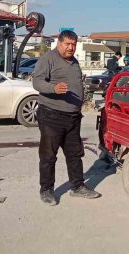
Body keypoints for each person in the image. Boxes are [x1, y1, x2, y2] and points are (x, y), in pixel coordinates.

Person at [32, 30, 101, 205]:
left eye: (73, 44)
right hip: (51, 115)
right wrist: (53, 88)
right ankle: (46, 190)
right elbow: (37, 82)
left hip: (72, 117)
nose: (71, 48)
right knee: (48, 155)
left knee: (74, 154)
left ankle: (77, 187)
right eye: (67, 44)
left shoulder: (74, 62)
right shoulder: (48, 59)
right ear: (59, 43)